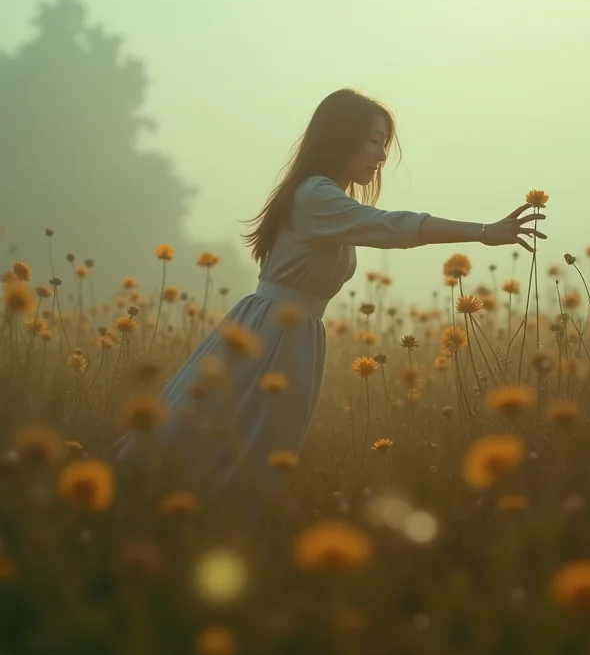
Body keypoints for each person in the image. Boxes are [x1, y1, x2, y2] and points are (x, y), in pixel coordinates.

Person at [113, 88, 546, 510]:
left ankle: (193, 523)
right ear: (341, 138)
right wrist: (483, 232)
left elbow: (387, 226)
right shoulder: (315, 195)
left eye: (384, 143)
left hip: (292, 335)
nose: (381, 155)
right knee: (216, 439)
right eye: (373, 140)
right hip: (271, 334)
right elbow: (394, 226)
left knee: (247, 447)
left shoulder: (326, 197)